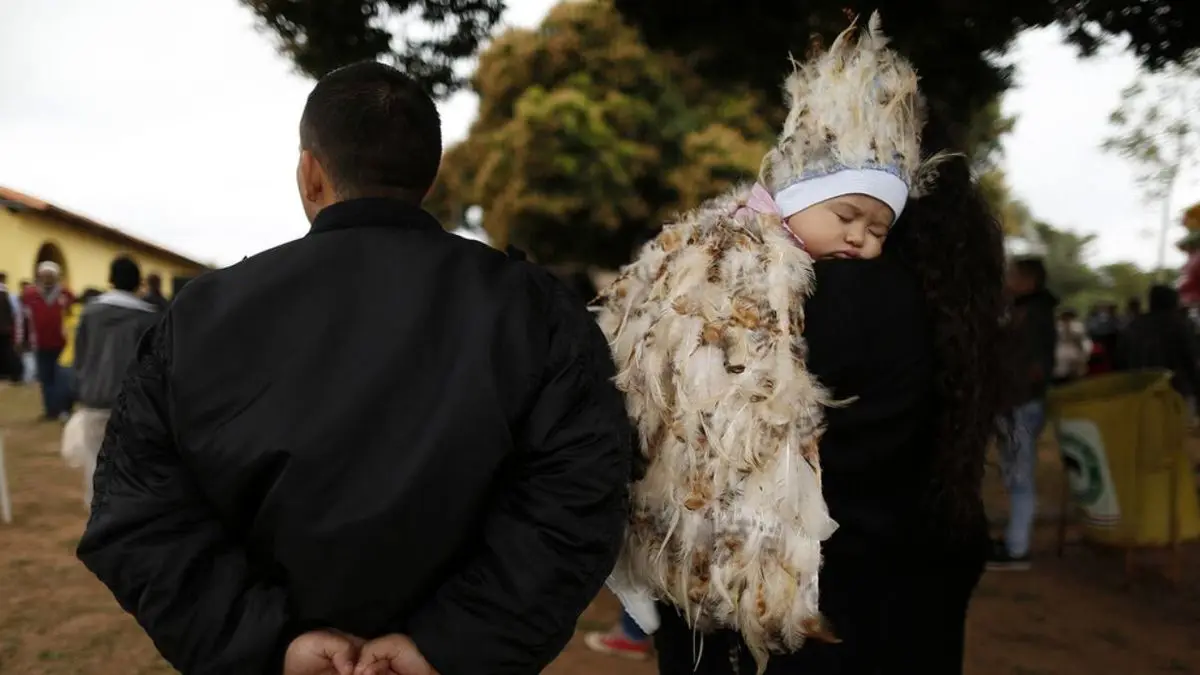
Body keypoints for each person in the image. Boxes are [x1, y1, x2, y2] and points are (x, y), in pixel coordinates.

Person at [77, 61, 633, 675]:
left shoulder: (198, 317)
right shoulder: (534, 310)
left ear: (310, 173)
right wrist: (450, 644)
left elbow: (137, 513)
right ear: (429, 175)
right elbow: (580, 497)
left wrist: (270, 645)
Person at [596, 13, 1005, 674]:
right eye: (849, 216)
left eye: (876, 225)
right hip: (885, 603)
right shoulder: (923, 307)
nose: (861, 239)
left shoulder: (833, 293)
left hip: (785, 611)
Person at [62, 257, 157, 506]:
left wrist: (80, 387)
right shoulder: (148, 319)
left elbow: (79, 356)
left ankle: (97, 511)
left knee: (95, 459)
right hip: (132, 403)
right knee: (132, 462)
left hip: (93, 398)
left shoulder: (90, 312)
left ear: (111, 279)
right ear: (139, 283)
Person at [990, 257, 1057, 571]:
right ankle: (1015, 542)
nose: (1008, 280)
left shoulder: (1032, 316)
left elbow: (1031, 368)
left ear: (1029, 280)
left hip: (1019, 406)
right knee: (1015, 474)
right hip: (1016, 404)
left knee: (1019, 477)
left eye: (1013, 276)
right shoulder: (1029, 312)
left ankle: (1018, 549)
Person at [1116, 285, 1200, 402]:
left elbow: (1121, 361)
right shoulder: (1179, 325)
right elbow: (1190, 360)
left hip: (1142, 392)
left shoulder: (1133, 326)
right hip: (1177, 391)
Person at [22, 261, 74, 419]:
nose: (47, 278)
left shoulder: (66, 294)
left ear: (56, 276)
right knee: (46, 378)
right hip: (41, 343)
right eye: (44, 275)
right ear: (39, 276)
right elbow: (25, 318)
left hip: (62, 344)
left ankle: (63, 409)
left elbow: (73, 316)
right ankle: (50, 410)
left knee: (62, 378)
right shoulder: (30, 295)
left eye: (50, 275)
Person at [1053, 309, 1092, 385]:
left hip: (1074, 350)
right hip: (1062, 350)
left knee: (1076, 371)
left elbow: (1080, 339)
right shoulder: (1058, 326)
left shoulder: (1077, 326)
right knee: (1062, 372)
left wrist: (1083, 351)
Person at [0, 272, 19, 382]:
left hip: (4, 328)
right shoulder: (7, 294)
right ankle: (13, 374)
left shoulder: (6, 294)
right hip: (6, 328)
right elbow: (14, 311)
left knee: (5, 351)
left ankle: (5, 372)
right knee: (8, 351)